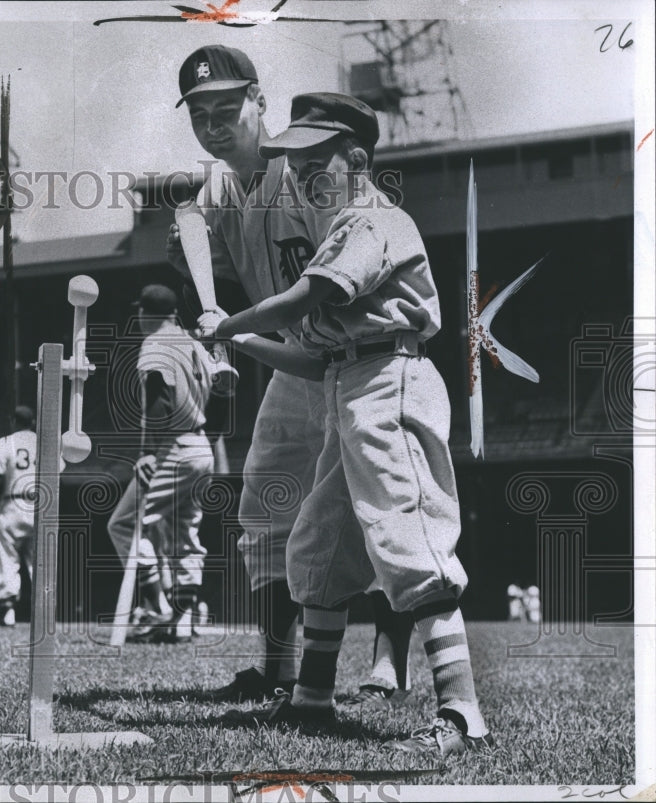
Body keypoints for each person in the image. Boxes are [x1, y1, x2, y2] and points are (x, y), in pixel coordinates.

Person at [208, 92, 494, 755]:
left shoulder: (372, 219)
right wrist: (239, 342)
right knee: (319, 543)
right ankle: (312, 701)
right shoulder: (340, 228)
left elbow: (312, 296)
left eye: (317, 161)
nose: (304, 175)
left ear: (357, 159)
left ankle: (461, 713)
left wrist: (233, 320)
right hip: (348, 379)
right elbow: (312, 358)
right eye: (296, 165)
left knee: (407, 533)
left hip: (391, 381)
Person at [170, 45, 414, 705]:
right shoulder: (217, 191)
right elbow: (191, 234)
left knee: (382, 513)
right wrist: (215, 310)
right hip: (296, 363)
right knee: (266, 513)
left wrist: (242, 326)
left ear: (260, 103)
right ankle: (278, 669)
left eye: (227, 108)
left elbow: (356, 265)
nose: (214, 124)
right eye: (199, 113)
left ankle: (387, 669)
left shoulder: (301, 170)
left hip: (362, 359)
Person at [106, 285, 232, 643]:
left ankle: (156, 608)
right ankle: (182, 621)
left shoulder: (156, 342)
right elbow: (225, 391)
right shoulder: (194, 342)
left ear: (146, 313)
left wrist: (147, 450)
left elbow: (158, 394)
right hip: (200, 445)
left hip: (173, 445)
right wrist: (209, 439)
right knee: (184, 538)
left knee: (124, 524)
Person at [0, 404, 63, 626]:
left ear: (13, 421)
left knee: (7, 558)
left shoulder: (5, 442)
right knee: (38, 561)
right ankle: (44, 612)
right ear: (33, 423)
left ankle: (8, 612)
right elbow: (57, 476)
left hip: (13, 504)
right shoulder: (45, 443)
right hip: (41, 504)